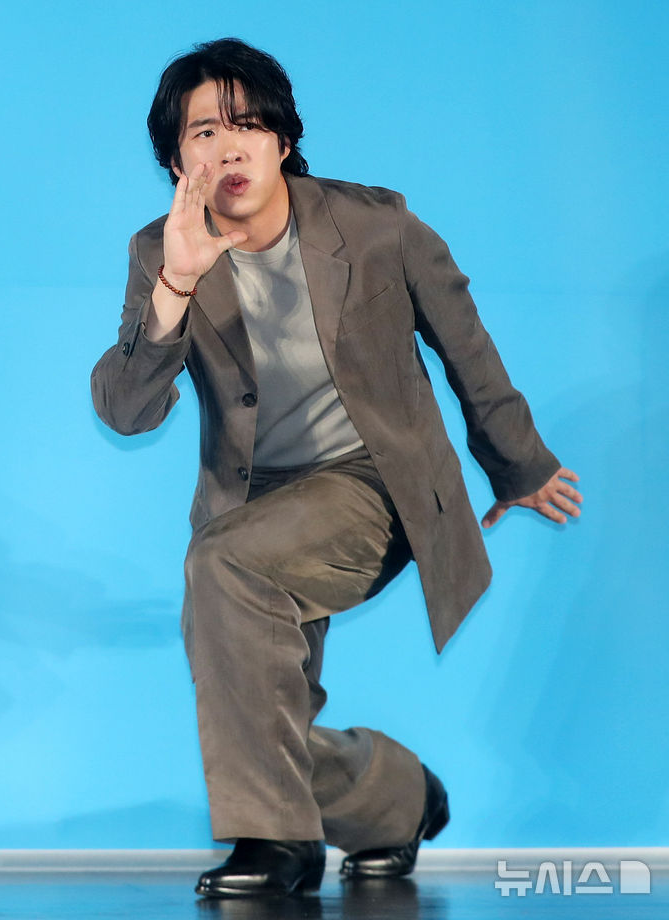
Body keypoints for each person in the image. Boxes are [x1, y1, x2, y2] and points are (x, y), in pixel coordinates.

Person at [91, 37, 582, 899]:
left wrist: (518, 465)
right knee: (262, 714)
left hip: (373, 484)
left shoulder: (377, 226)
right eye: (204, 132)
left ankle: (278, 845)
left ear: (284, 140)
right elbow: (126, 411)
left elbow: (467, 347)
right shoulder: (159, 251)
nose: (230, 147)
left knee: (221, 565)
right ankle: (399, 799)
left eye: (249, 125)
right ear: (176, 161)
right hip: (255, 506)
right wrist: (175, 286)